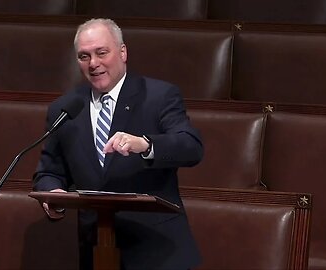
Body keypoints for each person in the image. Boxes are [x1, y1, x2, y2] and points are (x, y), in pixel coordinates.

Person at [33, 18, 203, 270]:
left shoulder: (159, 96)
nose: (93, 63)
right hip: (98, 249)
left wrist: (146, 144)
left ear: (122, 52)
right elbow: (49, 172)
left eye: (102, 53)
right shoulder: (65, 109)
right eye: (84, 56)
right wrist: (53, 194)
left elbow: (191, 147)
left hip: (157, 251)